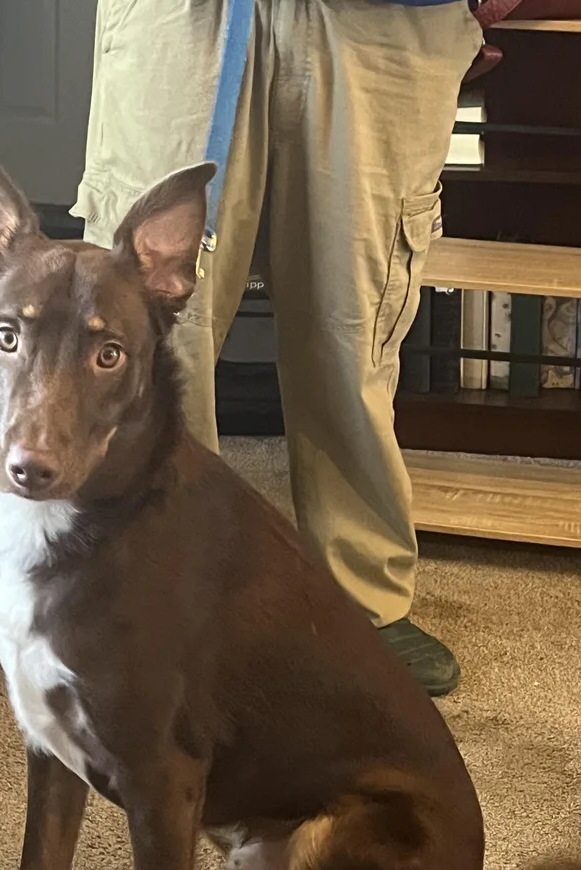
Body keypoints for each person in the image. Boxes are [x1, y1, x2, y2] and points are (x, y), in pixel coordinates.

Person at [70, 0, 482, 696]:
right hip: (186, 16)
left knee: (355, 318)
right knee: (148, 324)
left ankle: (362, 591)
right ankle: (151, 584)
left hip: (383, 21)